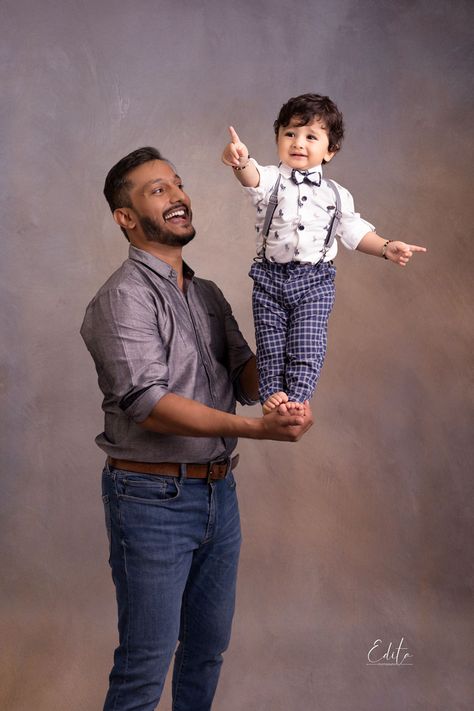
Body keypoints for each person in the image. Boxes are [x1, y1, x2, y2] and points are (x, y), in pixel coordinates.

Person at [80, 146, 313, 711]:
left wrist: (297, 316)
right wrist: (258, 431)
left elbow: (247, 378)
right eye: (157, 190)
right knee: (144, 668)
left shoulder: (205, 293)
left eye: (178, 183)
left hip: (217, 493)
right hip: (150, 498)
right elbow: (150, 405)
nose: (178, 195)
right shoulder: (122, 298)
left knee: (206, 652)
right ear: (126, 218)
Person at [221, 93, 427, 414]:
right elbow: (251, 177)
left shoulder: (337, 195)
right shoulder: (272, 179)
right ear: (278, 138)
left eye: (311, 136)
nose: (298, 142)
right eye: (289, 133)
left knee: (306, 341)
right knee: (271, 342)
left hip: (314, 282)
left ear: (330, 151)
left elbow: (356, 233)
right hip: (269, 279)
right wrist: (241, 161)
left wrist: (386, 247)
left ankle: (299, 396)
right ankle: (273, 392)